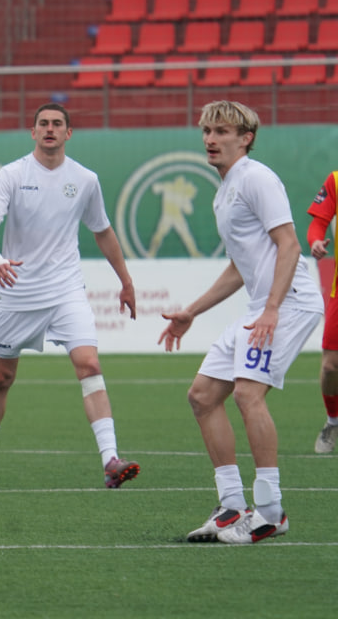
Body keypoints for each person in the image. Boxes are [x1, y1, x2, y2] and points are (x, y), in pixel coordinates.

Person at [160, 100, 324, 544]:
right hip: (262, 306)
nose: (210, 139)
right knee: (202, 395)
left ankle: (270, 512)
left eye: (221, 131)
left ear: (245, 137)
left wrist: (271, 308)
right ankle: (231, 507)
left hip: (289, 303)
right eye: (206, 131)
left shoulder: (256, 178)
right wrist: (191, 311)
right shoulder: (224, 191)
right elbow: (239, 267)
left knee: (249, 394)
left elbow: (289, 246)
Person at [0, 103, 140, 490]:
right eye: (43, 123)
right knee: (0, 379)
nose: (50, 129)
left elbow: (103, 231)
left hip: (65, 291)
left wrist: (125, 280)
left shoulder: (85, 180)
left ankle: (110, 459)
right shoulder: (11, 174)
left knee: (89, 364)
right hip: (17, 293)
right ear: (33, 132)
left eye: (57, 124)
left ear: (68, 133)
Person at [305, 169, 338, 453]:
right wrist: (315, 241)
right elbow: (319, 223)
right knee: (330, 365)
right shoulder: (335, 180)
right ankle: (333, 421)